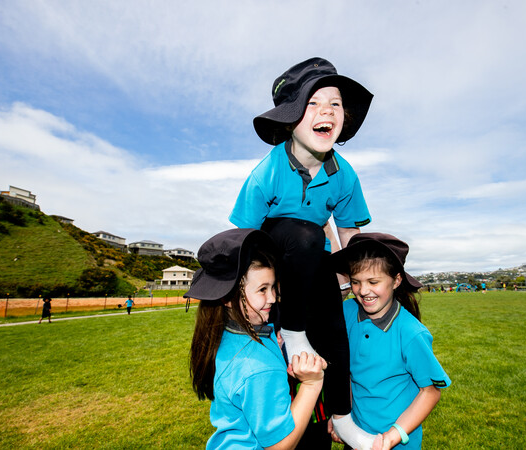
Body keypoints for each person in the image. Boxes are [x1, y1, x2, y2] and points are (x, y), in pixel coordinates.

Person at [229, 57, 374, 446]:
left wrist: (353, 286)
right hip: (273, 265)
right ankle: (292, 332)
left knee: (335, 331)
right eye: (313, 102)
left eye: (335, 103)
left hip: (315, 266)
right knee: (305, 233)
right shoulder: (266, 173)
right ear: (291, 118)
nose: (326, 109)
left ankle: (341, 416)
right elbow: (243, 238)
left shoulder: (344, 175)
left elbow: (348, 238)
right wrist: (256, 295)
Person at [189, 228, 327, 449]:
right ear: (227, 297)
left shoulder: (227, 335)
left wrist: (273, 344)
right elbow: (281, 445)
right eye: (262, 289)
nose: (273, 298)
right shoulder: (257, 367)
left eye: (273, 287)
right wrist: (312, 384)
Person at [331, 233, 451, 449]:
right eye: (356, 282)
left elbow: (430, 392)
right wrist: (340, 417)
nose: (363, 291)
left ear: (396, 280)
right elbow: (345, 370)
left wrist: (392, 437)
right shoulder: (346, 312)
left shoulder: (411, 333)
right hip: (355, 436)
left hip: (395, 443)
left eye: (373, 282)